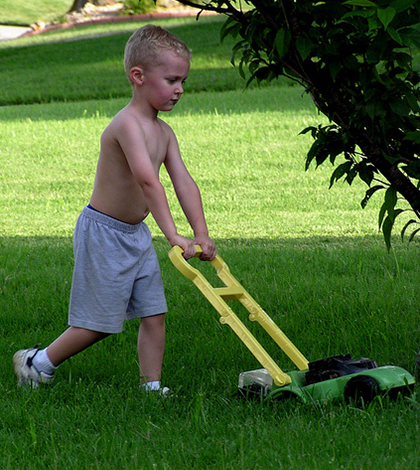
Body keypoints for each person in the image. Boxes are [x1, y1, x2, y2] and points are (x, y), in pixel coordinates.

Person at [13, 24, 216, 393]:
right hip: (103, 234)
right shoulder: (126, 125)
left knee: (154, 314)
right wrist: (173, 235)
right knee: (99, 323)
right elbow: (147, 181)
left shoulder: (165, 132)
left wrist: (200, 232)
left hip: (134, 234)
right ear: (137, 76)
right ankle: (37, 362)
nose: (180, 89)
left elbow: (183, 182)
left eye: (183, 80)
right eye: (171, 80)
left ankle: (151, 387)